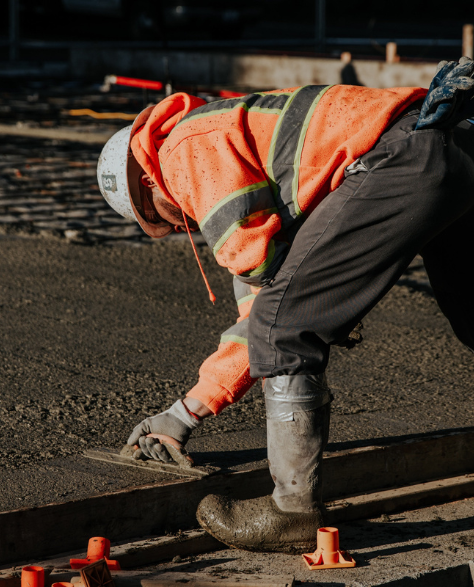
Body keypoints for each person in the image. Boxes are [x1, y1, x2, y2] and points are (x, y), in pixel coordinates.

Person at [96, 57, 474, 553]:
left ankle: (292, 512)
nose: (180, 224)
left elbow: (267, 305)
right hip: (449, 148)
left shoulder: (182, 152)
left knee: (284, 325)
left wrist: (187, 412)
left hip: (399, 157)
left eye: (161, 219)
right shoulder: (233, 137)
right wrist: (185, 414)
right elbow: (266, 293)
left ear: (147, 184)